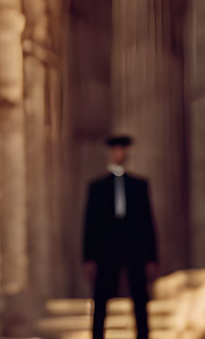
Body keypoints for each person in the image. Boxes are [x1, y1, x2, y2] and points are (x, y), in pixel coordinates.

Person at [82, 134, 159, 339]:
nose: (118, 153)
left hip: (133, 246)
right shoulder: (97, 187)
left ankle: (143, 336)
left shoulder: (139, 185)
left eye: (122, 149)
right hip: (106, 247)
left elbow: (148, 223)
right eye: (115, 149)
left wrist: (151, 257)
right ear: (110, 153)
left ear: (126, 153)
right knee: (101, 296)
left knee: (140, 296)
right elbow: (89, 224)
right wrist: (88, 257)